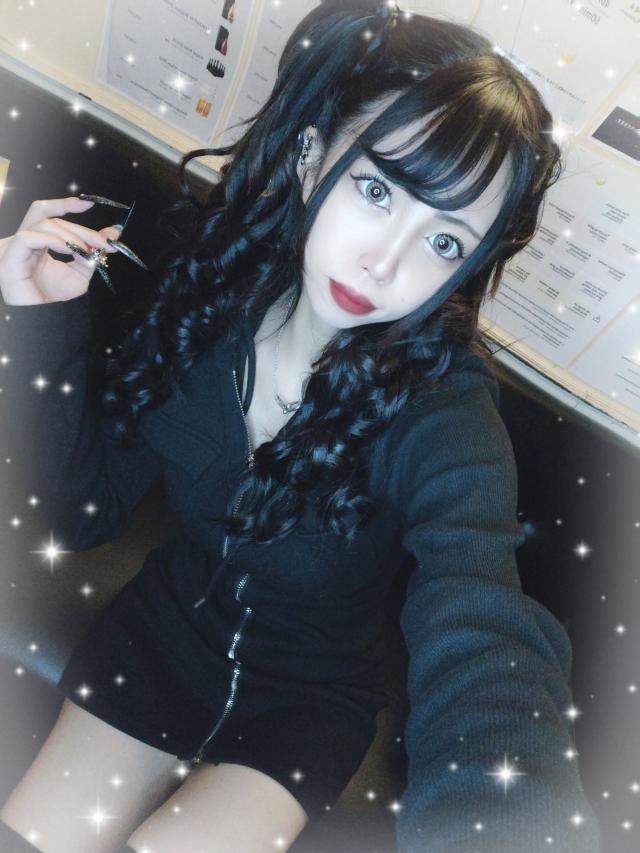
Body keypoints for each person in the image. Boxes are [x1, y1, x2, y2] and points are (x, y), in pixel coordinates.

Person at [0, 2, 601, 851]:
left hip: (308, 702)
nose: (385, 262)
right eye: (377, 190)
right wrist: (39, 317)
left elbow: (482, 614)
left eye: (444, 242)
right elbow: (80, 512)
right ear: (313, 156)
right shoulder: (204, 299)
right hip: (160, 636)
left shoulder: (447, 414)